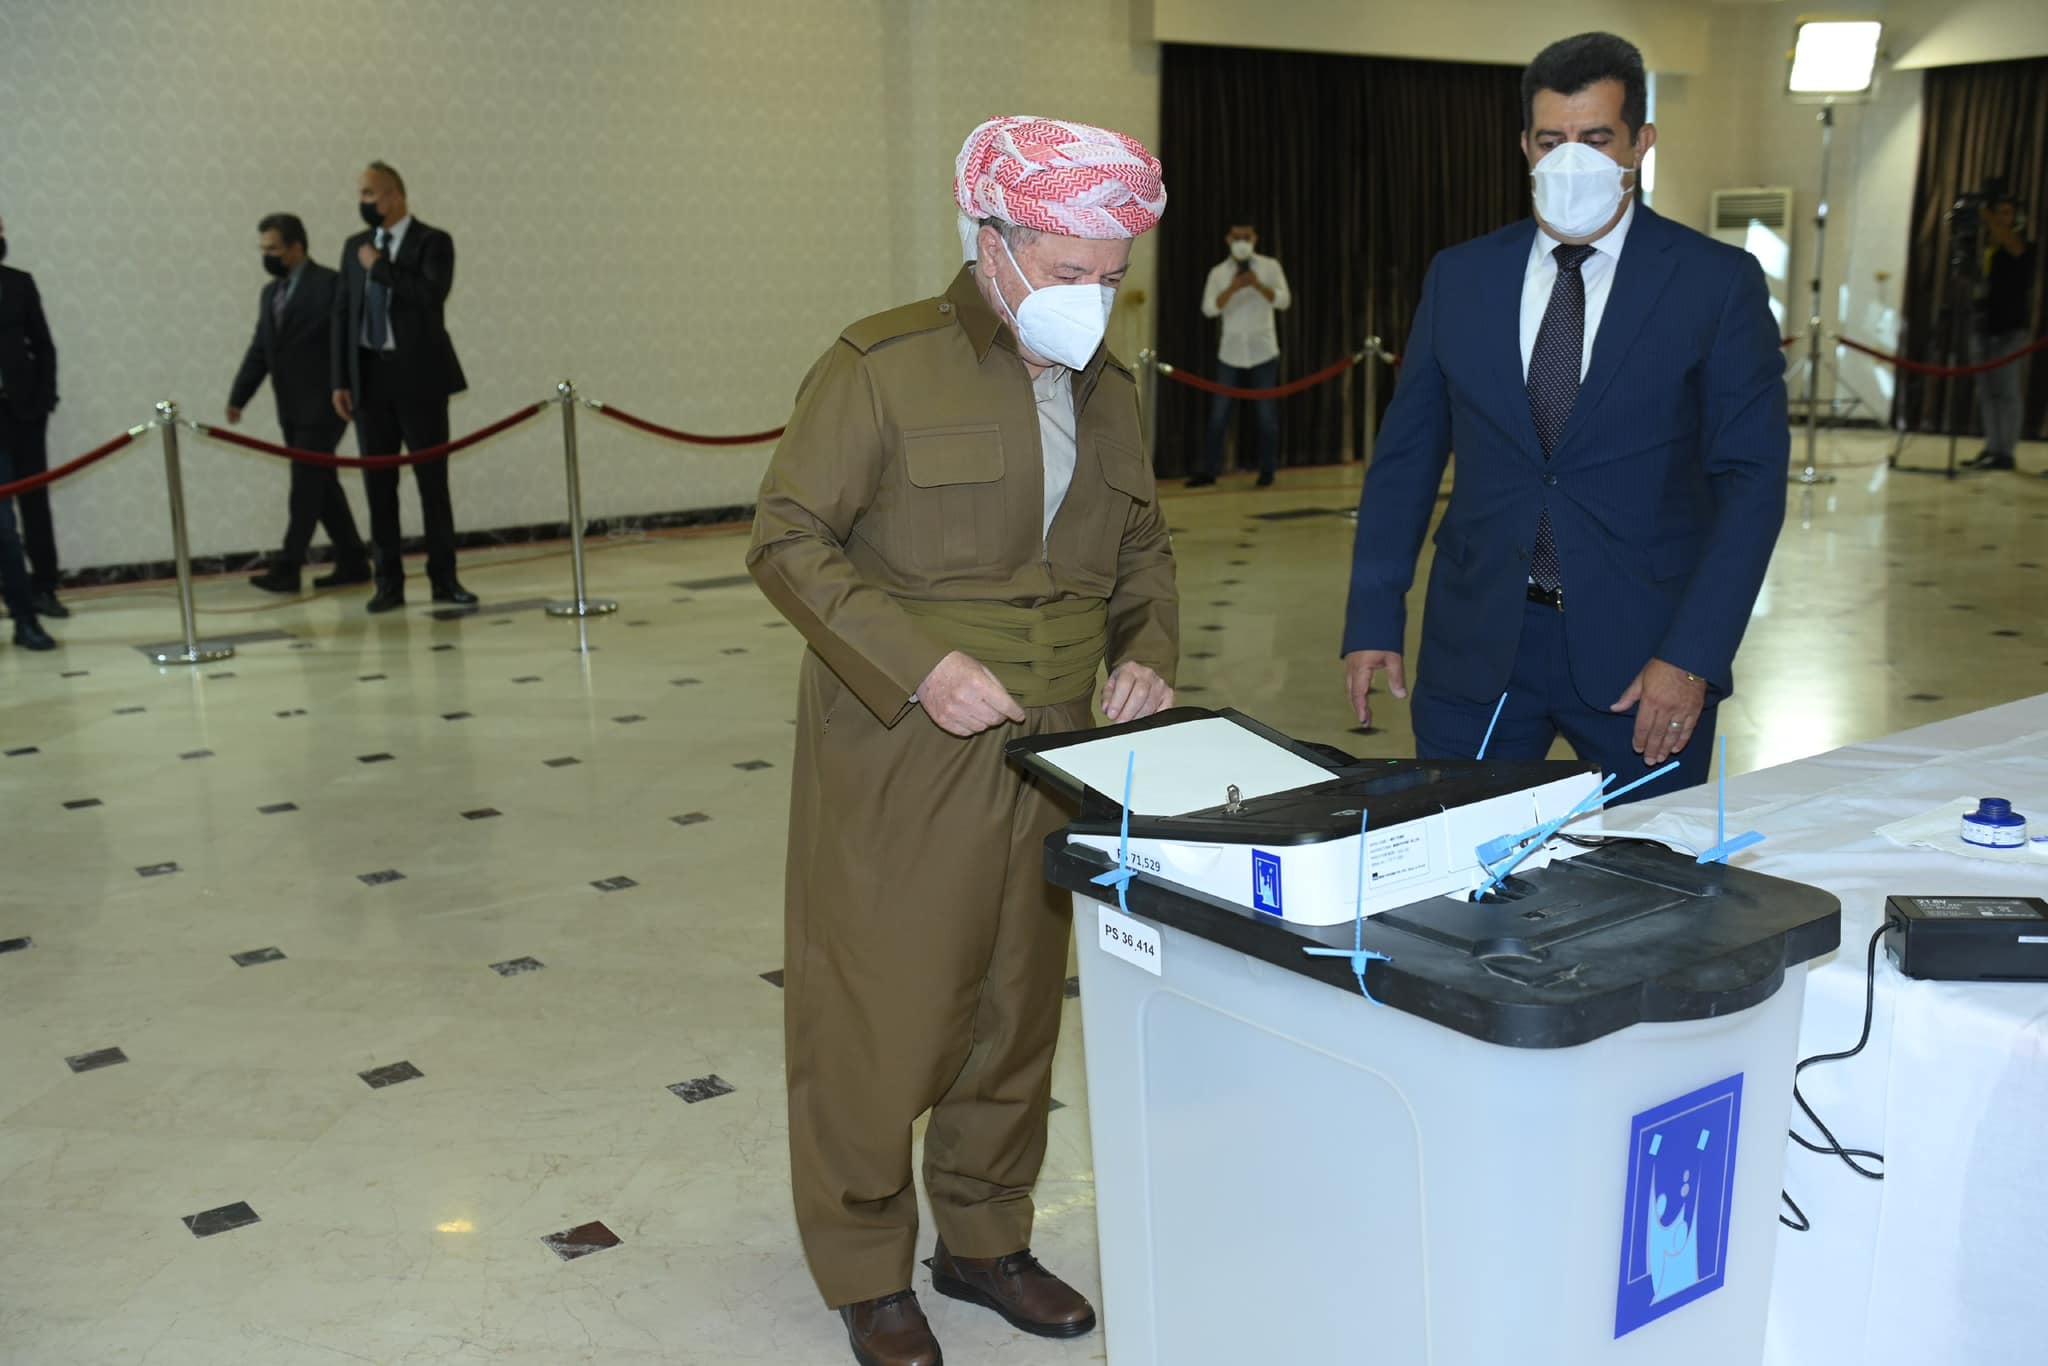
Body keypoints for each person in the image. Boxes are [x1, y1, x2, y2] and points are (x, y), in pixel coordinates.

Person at [747, 115, 1178, 1366]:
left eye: (1111, 279)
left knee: (1015, 1000)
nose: (1090, 303)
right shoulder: (881, 366)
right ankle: (865, 1262)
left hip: (1058, 743)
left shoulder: (1110, 388)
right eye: (1065, 273)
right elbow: (785, 539)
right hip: (906, 737)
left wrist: (1144, 650)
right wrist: (917, 665)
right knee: (883, 1004)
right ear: (988, 243)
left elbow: (1142, 546)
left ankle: (983, 1238)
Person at [1340, 32, 1787, 805]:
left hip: (1646, 659)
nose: (1569, 159)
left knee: (1645, 899)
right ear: (1524, 144)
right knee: (1456, 885)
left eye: (1596, 138)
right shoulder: (1462, 277)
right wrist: (1374, 616)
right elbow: (1406, 462)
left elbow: (1751, 485)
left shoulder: (1716, 285)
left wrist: (1694, 658)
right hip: (1478, 648)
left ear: (1640, 143)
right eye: (1552, 140)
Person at [331, 161, 475, 612]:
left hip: (419, 379)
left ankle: (444, 579)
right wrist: (340, 379)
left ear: (395, 196)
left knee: (432, 483)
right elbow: (342, 314)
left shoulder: (433, 241)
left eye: (371, 194)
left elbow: (431, 295)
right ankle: (387, 583)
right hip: (370, 380)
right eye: (360, 194)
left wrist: (380, 268)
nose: (364, 203)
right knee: (379, 486)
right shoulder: (353, 247)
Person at [229, 213, 371, 594]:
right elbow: (261, 349)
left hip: (327, 403)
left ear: (296, 247)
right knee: (321, 483)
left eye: (274, 249)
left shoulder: (329, 284)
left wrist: (348, 388)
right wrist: (239, 396)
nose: (267, 256)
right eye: (263, 250)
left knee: (305, 485)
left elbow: (349, 342)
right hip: (289, 405)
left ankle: (289, 565)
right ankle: (354, 559)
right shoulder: (270, 293)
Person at [0, 213, 67, 620]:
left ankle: (45, 587)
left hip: (23, 411)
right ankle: (11, 591)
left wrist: (45, 398)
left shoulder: (19, 283)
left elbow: (44, 346)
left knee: (34, 501)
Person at [1191, 223, 1292, 487]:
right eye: (1237, 237)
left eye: (1247, 237)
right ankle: (1209, 471)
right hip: (1230, 352)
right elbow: (1209, 309)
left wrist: (1258, 286)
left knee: (1266, 416)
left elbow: (1284, 301)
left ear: (1255, 238)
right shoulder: (1218, 273)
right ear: (1228, 239)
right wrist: (1234, 288)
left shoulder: (1270, 267)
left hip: (1263, 351)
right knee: (1218, 415)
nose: (1242, 241)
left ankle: (1268, 472)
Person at [1962, 194, 2034, 472]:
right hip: (1983, 327)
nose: (2002, 218)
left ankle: (2007, 451)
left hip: (2011, 330)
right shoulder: (1987, 249)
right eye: (1998, 212)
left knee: (2007, 391)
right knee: (1987, 392)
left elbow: (2013, 245)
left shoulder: (2023, 246)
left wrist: (1986, 214)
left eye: (2007, 213)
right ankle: (1993, 446)